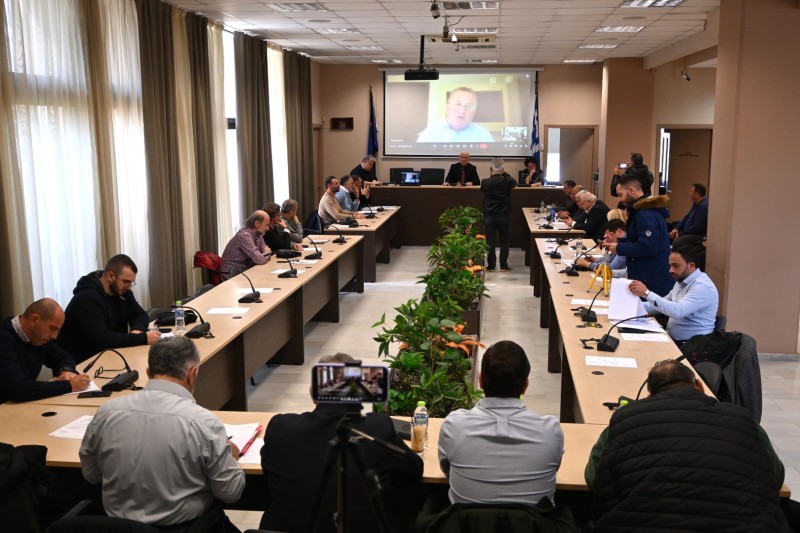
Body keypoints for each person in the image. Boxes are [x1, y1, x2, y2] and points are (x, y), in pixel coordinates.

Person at [585, 359, 788, 532]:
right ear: (699, 386)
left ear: (650, 396)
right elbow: (775, 477)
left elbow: (596, 477)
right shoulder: (743, 420)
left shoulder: (625, 419)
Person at [79, 336, 245, 528]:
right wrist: (230, 457)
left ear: (148, 372)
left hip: (117, 528)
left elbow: (91, 475)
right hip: (185, 528)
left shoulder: (106, 413)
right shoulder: (205, 423)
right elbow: (231, 492)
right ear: (192, 374)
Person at [259, 353, 423, 533]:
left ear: (313, 392)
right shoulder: (378, 427)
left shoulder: (281, 427)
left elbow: (267, 472)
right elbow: (414, 471)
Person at [438, 340, 563, 504]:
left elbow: (447, 470)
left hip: (467, 519)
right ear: (525, 386)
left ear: (480, 381)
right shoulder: (550, 431)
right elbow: (553, 469)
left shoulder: (454, 426)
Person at [58, 254, 158, 363]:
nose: (129, 287)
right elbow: (102, 339)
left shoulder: (123, 292)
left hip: (110, 355)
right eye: (126, 282)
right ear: (111, 276)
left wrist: (136, 330)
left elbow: (140, 315)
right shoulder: (87, 298)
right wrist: (142, 338)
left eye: (131, 283)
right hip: (83, 363)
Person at [0, 298, 90, 403]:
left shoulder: (37, 337)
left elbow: (63, 357)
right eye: (53, 328)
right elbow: (19, 389)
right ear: (35, 320)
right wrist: (70, 385)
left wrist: (66, 370)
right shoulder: (4, 341)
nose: (55, 336)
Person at [628, 244, 718, 343]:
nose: (670, 270)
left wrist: (646, 293)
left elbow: (677, 311)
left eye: (676, 266)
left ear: (691, 266)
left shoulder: (702, 287)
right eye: (670, 265)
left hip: (691, 346)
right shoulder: (682, 281)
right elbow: (657, 306)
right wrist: (630, 306)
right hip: (673, 340)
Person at [603, 175, 673, 296]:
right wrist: (619, 243)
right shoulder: (641, 212)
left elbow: (647, 247)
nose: (619, 200)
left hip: (651, 280)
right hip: (646, 276)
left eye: (620, 195)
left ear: (631, 190)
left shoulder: (645, 214)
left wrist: (619, 248)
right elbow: (637, 240)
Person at [416, 87, 494, 143]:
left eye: (469, 106)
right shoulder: (430, 133)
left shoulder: (484, 135)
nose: (462, 111)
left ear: (474, 113)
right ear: (447, 107)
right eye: (457, 104)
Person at [480, 157, 517, 271]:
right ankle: (504, 265)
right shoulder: (507, 182)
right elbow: (514, 183)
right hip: (503, 215)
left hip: (489, 215)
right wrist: (504, 173)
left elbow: (483, 190)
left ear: (491, 169)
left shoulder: (485, 182)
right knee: (504, 241)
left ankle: (491, 266)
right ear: (502, 169)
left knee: (489, 241)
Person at [219, 210, 272, 281]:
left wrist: (265, 254)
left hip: (245, 271)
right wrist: (267, 253)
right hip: (232, 275)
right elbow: (260, 259)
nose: (268, 228)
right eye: (266, 225)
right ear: (257, 223)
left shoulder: (258, 235)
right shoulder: (244, 236)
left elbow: (263, 255)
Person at [670, 183, 709, 247]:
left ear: (697, 194)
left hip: (698, 235)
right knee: (669, 227)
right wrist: (676, 229)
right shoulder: (696, 204)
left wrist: (680, 234)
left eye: (691, 192)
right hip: (688, 231)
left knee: (677, 241)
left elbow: (696, 228)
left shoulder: (704, 207)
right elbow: (686, 217)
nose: (690, 194)